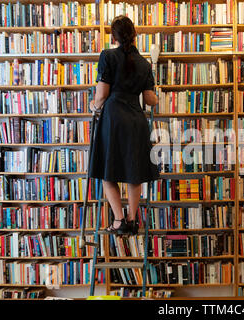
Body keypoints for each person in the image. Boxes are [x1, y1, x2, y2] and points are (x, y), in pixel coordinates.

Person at [88, 15, 160, 235]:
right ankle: (132, 219)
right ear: (134, 35)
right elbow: (149, 99)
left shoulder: (108, 56)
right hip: (136, 121)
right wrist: (155, 95)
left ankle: (119, 221)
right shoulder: (144, 63)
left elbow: (102, 95)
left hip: (113, 120)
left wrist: (93, 105)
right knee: (134, 171)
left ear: (114, 36)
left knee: (108, 172)